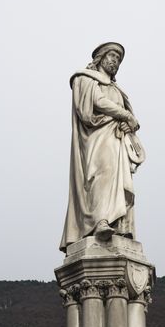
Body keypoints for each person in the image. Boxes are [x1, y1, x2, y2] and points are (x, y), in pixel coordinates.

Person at [59, 42, 142, 253]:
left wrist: (126, 123)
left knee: (118, 178)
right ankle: (99, 221)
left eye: (119, 60)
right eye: (112, 56)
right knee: (100, 174)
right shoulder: (86, 79)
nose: (115, 61)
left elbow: (127, 119)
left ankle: (119, 225)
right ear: (101, 57)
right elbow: (97, 102)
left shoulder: (117, 90)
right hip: (96, 138)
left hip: (117, 140)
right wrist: (126, 116)